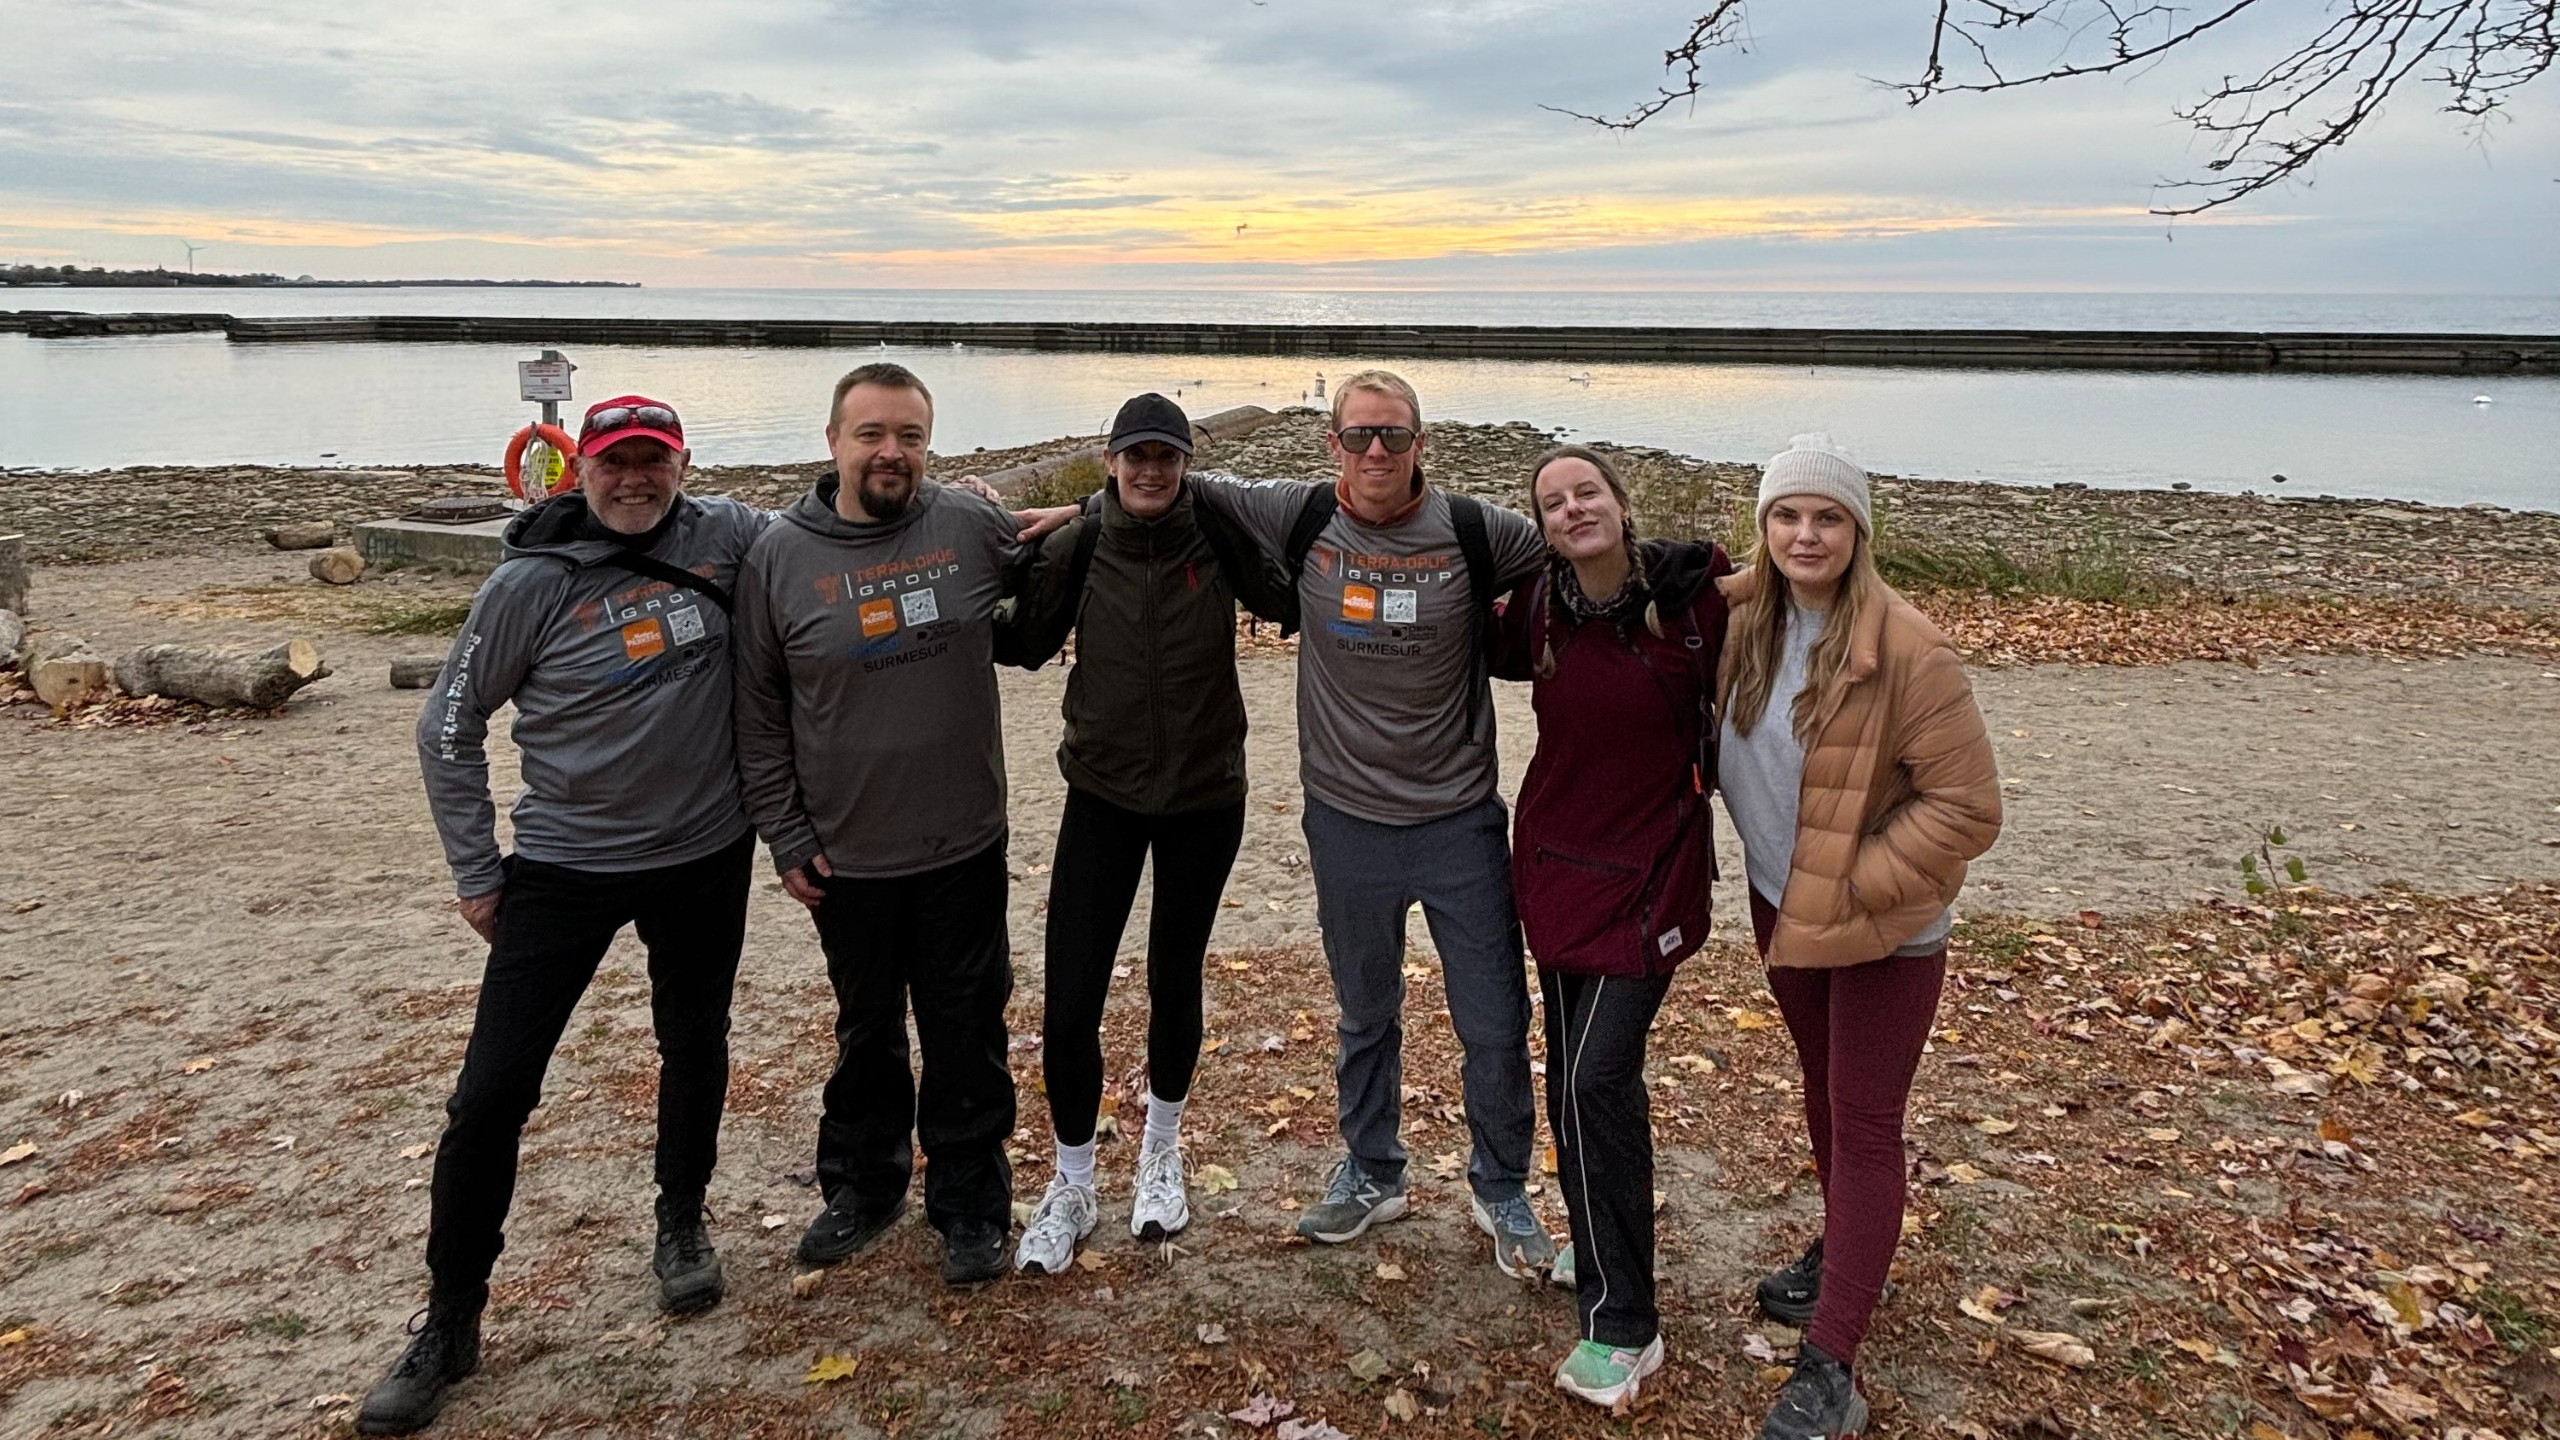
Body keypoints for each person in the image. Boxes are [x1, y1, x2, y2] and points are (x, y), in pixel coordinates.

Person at [364, 396, 770, 1436]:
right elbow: (445, 729)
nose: (635, 480)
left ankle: (681, 1221)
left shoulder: (727, 535)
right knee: (491, 1094)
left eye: (654, 462)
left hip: (703, 853)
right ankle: (451, 1319)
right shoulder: (526, 586)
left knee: (694, 1043)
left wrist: (988, 510)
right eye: (615, 463)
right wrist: (475, 872)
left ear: (681, 465)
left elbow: (835, 529)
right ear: (576, 469)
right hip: (561, 865)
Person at [1182, 370, 1558, 1276]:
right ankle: (1372, 1169)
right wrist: (1042, 514)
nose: (1376, 453)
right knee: (1366, 1011)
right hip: (1346, 820)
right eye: (1358, 437)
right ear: (1332, 445)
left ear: (1422, 442)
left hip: (1459, 818)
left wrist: (1712, 582)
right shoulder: (1300, 516)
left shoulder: (1477, 530)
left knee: (1495, 1019)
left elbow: (1580, 555)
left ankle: (1501, 1184)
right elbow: (1170, 482)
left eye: (1393, 436)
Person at [1715, 435, 2002, 1440]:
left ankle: (1831, 1366)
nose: (1806, 534)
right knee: (1819, 1088)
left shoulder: (1908, 647)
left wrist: (1848, 885)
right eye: (1787, 515)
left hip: (1885, 925)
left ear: (1859, 533)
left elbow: (1966, 809)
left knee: (1865, 1119)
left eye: (1827, 517)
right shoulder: (1739, 617)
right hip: (1777, 904)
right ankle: (1844, 1248)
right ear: (1763, 525)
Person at [730, 362, 1031, 1289]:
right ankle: (865, 1186)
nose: (891, 453)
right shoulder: (779, 556)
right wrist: (785, 834)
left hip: (962, 840)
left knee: (967, 1029)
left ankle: (972, 1204)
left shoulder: (965, 524)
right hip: (845, 850)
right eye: (872, 435)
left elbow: (1043, 561)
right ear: (833, 443)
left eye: (909, 436)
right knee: (867, 1030)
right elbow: (757, 707)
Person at [997, 393, 1291, 1275]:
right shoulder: (1081, 541)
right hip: (1104, 794)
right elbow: (1024, 643)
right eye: (1136, 457)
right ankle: (1073, 1180)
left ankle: (1162, 1152)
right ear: (1111, 459)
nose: (1151, 471)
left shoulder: (1221, 533)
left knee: (1175, 975)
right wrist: (941, 601)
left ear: (1187, 462)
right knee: (1071, 993)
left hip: (1207, 794)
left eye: (1167, 456)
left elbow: (1292, 598)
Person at [1491, 445, 1730, 1407]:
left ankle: (1624, 1323)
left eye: (1587, 491)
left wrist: (1716, 566)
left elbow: (1801, 589)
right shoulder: (1540, 612)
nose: (1572, 508)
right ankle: (1595, 1247)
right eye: (1552, 501)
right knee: (1568, 1079)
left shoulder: (1692, 599)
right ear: (1540, 525)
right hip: (1555, 866)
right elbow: (1435, 634)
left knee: (1598, 1080)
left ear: (1623, 506)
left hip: (1654, 876)